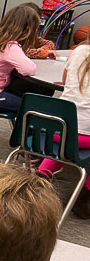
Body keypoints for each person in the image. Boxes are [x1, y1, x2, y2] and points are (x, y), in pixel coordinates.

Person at [38, 36, 90, 218]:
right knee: (78, 135)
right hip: (83, 138)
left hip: (56, 129)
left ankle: (39, 179)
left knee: (67, 142)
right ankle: (85, 198)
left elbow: (65, 81)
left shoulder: (78, 51)